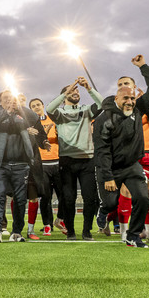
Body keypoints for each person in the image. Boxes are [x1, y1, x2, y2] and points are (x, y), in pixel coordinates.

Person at [93, 55, 149, 248]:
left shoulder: (138, 108)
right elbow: (102, 150)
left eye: (132, 98)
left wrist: (143, 66)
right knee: (111, 204)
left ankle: (132, 236)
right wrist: (108, 176)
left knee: (143, 198)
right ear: (116, 98)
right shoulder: (104, 119)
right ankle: (103, 210)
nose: (130, 102)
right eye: (126, 98)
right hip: (110, 168)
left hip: (132, 166)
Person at [46, 77, 102, 241]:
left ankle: (87, 231)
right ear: (64, 96)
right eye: (71, 91)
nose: (75, 92)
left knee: (89, 198)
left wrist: (88, 88)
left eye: (77, 90)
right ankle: (70, 231)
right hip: (67, 160)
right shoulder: (60, 113)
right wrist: (66, 92)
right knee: (68, 199)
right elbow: (49, 108)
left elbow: (102, 104)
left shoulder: (86, 110)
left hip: (87, 159)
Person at [0, 90, 41, 242]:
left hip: (21, 164)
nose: (9, 100)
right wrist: (7, 111)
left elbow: (35, 117)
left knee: (20, 199)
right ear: (0, 102)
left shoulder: (22, 115)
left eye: (12, 98)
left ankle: (16, 232)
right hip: (0, 164)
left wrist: (20, 107)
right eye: (6, 98)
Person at [26, 98, 60, 239]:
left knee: (64, 195)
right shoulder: (29, 123)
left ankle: (61, 219)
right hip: (40, 164)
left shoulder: (53, 120)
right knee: (45, 197)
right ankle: (47, 224)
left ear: (43, 106)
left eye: (38, 105)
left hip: (57, 161)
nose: (36, 107)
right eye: (33, 106)